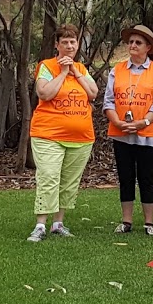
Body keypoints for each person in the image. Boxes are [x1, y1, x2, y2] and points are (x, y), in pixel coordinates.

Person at [26, 24, 99, 242]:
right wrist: (64, 72)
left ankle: (58, 223)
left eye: (72, 42)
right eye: (64, 42)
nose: (69, 46)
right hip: (48, 134)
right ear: (57, 45)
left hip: (81, 138)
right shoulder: (47, 67)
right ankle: (40, 225)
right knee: (49, 177)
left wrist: (75, 72)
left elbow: (93, 93)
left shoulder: (82, 69)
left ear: (77, 45)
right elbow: (45, 93)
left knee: (68, 181)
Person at [104, 25, 153, 236]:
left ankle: (148, 223)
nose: (132, 45)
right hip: (121, 132)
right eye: (130, 41)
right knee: (125, 176)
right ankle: (126, 221)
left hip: (147, 134)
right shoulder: (117, 69)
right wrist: (117, 121)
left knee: (146, 176)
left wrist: (143, 123)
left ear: (148, 48)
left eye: (138, 42)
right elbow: (108, 101)